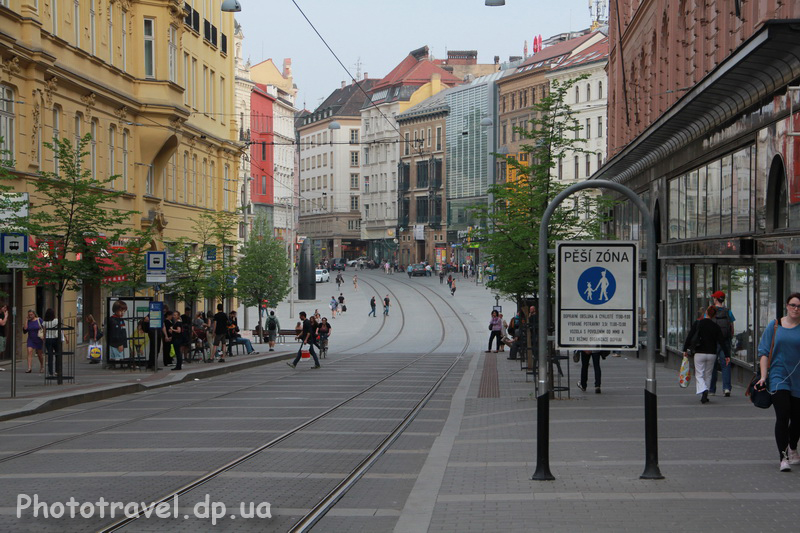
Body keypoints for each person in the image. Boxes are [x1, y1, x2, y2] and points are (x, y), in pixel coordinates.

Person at [756, 293, 800, 472]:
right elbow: (764, 353)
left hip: (798, 378)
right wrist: (763, 377)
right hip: (778, 377)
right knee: (783, 415)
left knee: (797, 419)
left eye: (799, 306)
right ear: (787, 306)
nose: (796, 309)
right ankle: (783, 458)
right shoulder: (775, 326)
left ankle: (793, 446)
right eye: (793, 305)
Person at [683, 305, 730, 404]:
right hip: (712, 353)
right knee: (708, 374)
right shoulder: (716, 326)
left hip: (699, 353)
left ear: (706, 313)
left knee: (699, 374)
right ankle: (706, 393)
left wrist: (685, 349)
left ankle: (703, 390)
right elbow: (722, 341)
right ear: (714, 315)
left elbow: (690, 336)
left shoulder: (698, 323)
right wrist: (727, 355)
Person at [709, 290, 735, 397]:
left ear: (715, 299)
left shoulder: (711, 310)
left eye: (714, 298)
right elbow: (732, 327)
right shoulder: (728, 311)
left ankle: (711, 390)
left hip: (713, 341)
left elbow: (707, 324)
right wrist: (729, 338)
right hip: (725, 341)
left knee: (712, 365)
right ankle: (726, 388)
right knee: (726, 364)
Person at [42, 308, 66, 376]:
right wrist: (65, 337)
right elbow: (60, 329)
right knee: (57, 355)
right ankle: (57, 371)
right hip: (56, 339)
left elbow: (44, 331)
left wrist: (44, 339)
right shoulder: (56, 321)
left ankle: (50, 372)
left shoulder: (45, 322)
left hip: (48, 339)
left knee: (50, 356)